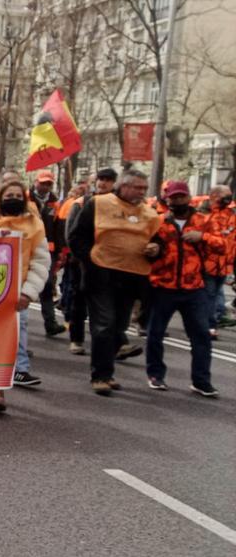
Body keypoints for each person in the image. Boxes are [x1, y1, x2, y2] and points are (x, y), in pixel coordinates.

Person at [68, 169, 160, 395]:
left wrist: (156, 249)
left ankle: (107, 373)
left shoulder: (149, 213)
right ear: (124, 185)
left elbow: (158, 241)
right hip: (101, 277)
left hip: (131, 279)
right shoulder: (97, 203)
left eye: (144, 189)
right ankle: (99, 376)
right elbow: (76, 237)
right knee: (104, 325)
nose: (142, 192)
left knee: (118, 327)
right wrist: (90, 261)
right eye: (138, 187)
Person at [0, 179, 52, 413]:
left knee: (9, 342)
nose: (13, 199)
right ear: (0, 198)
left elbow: (41, 261)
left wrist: (28, 292)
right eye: (9, 195)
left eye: (17, 195)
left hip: (16, 296)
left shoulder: (35, 226)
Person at [144, 181, 223, 397]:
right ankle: (155, 375)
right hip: (163, 286)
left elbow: (222, 245)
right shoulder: (157, 222)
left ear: (188, 198)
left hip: (194, 287)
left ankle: (201, 381)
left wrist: (202, 237)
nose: (178, 200)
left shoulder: (203, 221)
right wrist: (152, 250)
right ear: (166, 199)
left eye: (181, 196)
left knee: (201, 336)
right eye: (173, 197)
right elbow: (144, 247)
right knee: (155, 334)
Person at [64, 168, 119, 354]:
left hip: (109, 264)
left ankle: (113, 344)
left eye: (108, 180)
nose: (103, 183)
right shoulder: (81, 203)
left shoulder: (120, 205)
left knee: (108, 304)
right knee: (78, 301)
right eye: (100, 179)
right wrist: (81, 257)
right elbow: (70, 234)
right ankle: (76, 339)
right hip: (82, 262)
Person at [30, 170, 65, 338]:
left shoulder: (55, 204)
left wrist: (60, 252)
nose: (45, 186)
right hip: (27, 248)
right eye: (43, 183)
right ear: (36, 182)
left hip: (47, 251)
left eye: (48, 184)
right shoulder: (25, 199)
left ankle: (50, 324)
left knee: (47, 286)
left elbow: (59, 229)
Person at [201, 185, 234, 337]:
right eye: (225, 195)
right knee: (210, 296)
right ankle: (208, 326)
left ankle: (208, 323)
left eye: (230, 195)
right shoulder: (203, 215)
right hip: (207, 264)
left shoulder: (231, 215)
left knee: (214, 296)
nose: (228, 199)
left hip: (225, 265)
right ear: (214, 195)